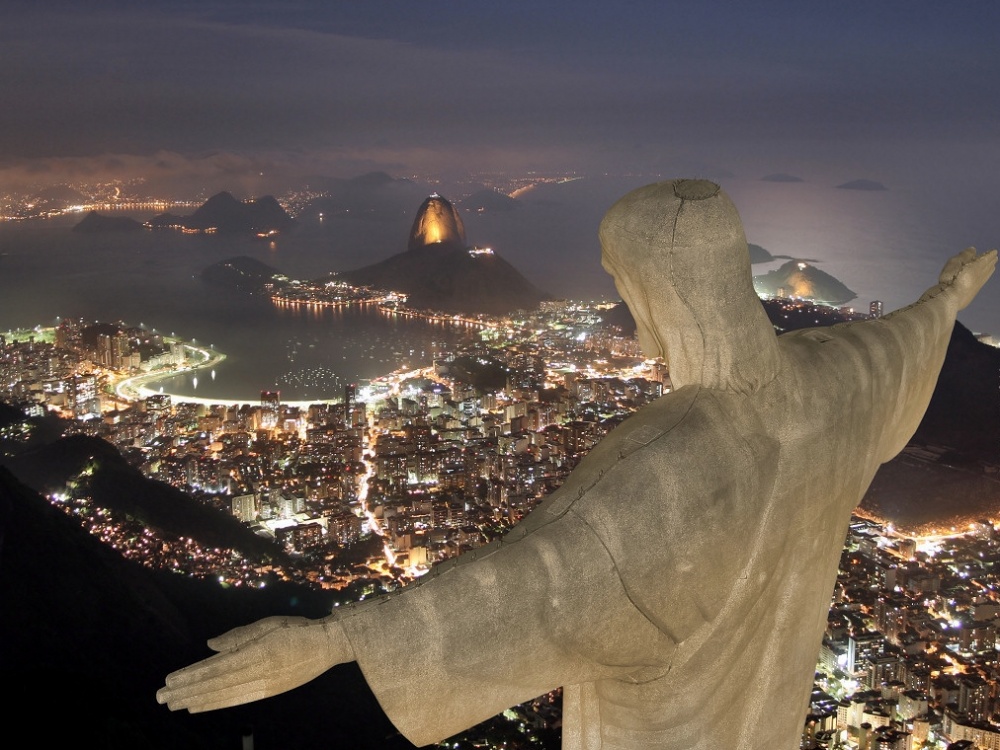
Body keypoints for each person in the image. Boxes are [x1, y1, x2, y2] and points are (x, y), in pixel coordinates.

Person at [158, 179, 996, 750]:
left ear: (658, 293)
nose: (630, 322)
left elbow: (534, 582)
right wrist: (949, 297)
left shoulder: (669, 465)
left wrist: (333, 642)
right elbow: (902, 342)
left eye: (626, 289)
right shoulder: (833, 381)